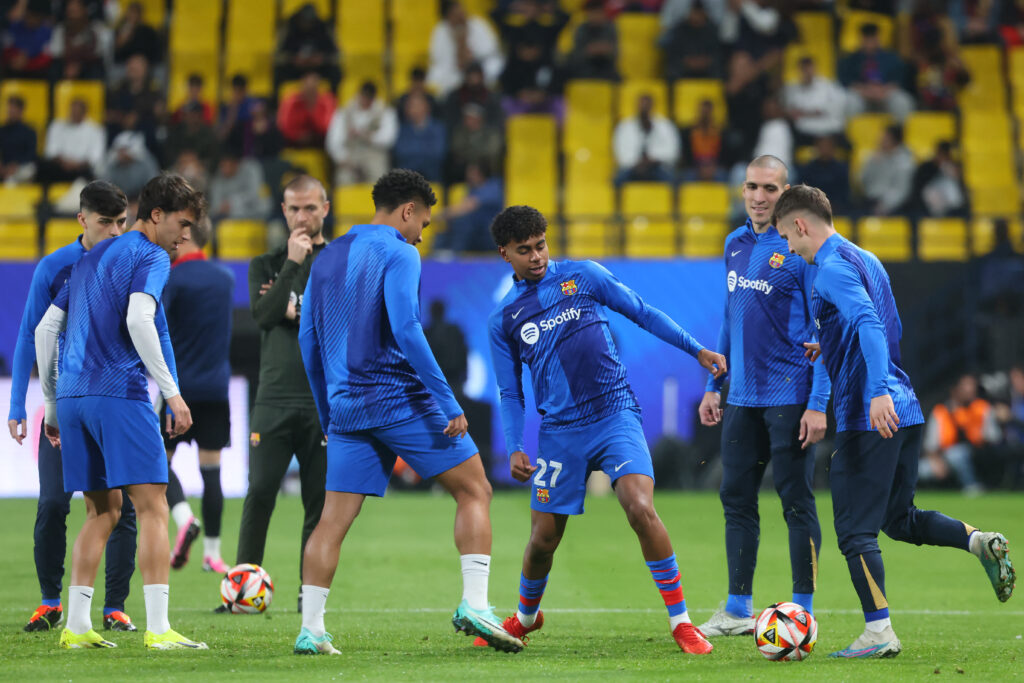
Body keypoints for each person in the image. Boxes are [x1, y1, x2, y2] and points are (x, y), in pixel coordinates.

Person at [772, 184, 1015, 658]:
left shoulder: (829, 270)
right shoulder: (868, 258)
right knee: (898, 519)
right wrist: (836, 347)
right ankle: (979, 542)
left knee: (853, 531)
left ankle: (879, 632)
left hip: (872, 415)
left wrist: (875, 390)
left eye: (785, 236)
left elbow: (868, 322)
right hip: (907, 409)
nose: (787, 247)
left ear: (800, 225)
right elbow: (890, 326)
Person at [294, 169, 522, 655]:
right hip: (399, 401)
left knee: (331, 522)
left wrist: (327, 414)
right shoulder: (399, 252)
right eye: (424, 221)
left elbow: (307, 340)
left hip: (347, 410)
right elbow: (406, 328)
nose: (423, 232)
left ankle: (311, 629)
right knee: (475, 489)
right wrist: (448, 402)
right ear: (407, 211)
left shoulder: (326, 256)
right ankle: (475, 604)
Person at [486, 205, 727, 655]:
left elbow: (642, 312)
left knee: (639, 507)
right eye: (525, 250)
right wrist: (516, 445)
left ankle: (681, 622)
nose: (536, 256)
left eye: (541, 245)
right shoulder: (504, 320)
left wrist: (697, 351)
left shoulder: (583, 276)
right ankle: (523, 619)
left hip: (615, 414)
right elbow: (509, 391)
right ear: (505, 254)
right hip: (559, 431)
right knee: (543, 539)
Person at [35, 173, 208, 650]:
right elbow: (138, 317)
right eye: (183, 223)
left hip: (72, 399)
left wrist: (52, 402)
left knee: (100, 511)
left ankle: (76, 625)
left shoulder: (90, 258)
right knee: (152, 506)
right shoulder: (150, 255)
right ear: (157, 216)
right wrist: (172, 393)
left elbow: (46, 331)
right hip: (118, 393)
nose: (186, 235)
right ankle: (158, 629)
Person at [695, 155, 830, 637]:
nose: (758, 196)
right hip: (742, 398)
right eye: (751, 186)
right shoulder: (733, 243)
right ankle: (736, 608)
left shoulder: (799, 246)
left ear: (785, 192)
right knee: (736, 498)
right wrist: (714, 384)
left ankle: (803, 609)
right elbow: (731, 318)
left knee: (796, 500)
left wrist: (818, 402)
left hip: (790, 395)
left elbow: (823, 329)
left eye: (769, 189)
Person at [8, 181, 137, 633]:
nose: (115, 232)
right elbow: (30, 335)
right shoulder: (55, 267)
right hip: (64, 404)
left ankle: (114, 606)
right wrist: (17, 405)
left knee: (124, 509)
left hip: (117, 400)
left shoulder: (131, 263)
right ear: (82, 221)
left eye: (122, 223)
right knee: (52, 505)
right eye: (106, 223)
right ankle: (50, 602)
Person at [232, 175, 330, 610]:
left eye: (310, 208)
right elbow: (263, 315)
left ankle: (308, 598)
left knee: (319, 504)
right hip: (272, 399)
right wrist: (291, 267)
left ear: (325, 208)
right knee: (260, 493)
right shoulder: (266, 264)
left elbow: (337, 319)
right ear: (283, 210)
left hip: (323, 402)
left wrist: (296, 305)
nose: (302, 217)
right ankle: (241, 590)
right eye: (293, 208)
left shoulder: (338, 262)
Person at [158, 217, 235, 574]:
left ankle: (184, 516)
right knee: (212, 474)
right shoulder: (225, 280)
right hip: (217, 390)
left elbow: (158, 329)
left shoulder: (171, 278)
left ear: (185, 237)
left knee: (158, 463)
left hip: (179, 392)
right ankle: (213, 555)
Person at [920, 373, 1000, 494]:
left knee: (956, 454)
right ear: (955, 390)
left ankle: (972, 486)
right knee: (920, 469)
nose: (969, 390)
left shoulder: (982, 408)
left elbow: (995, 438)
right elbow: (930, 446)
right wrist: (936, 461)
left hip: (979, 454)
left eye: (972, 386)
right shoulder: (941, 411)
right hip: (946, 458)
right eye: (965, 387)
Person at [325, 81, 397, 186]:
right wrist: (342, 158)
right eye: (364, 97)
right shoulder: (344, 112)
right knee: (344, 179)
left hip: (375, 153)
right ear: (359, 95)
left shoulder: (386, 112)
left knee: (380, 179)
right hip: (350, 154)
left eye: (369, 98)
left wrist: (368, 136)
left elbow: (388, 139)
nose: (365, 101)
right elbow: (333, 141)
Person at [612, 94, 680, 185]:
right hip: (631, 167)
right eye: (641, 105)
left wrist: (651, 160)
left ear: (652, 106)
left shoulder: (665, 125)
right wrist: (638, 163)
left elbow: (673, 152)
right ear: (636, 106)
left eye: (647, 105)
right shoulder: (625, 126)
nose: (644, 108)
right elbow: (621, 154)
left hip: (658, 167)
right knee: (617, 180)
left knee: (673, 181)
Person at [37, 98, 106, 184]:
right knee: (42, 166)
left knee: (93, 173)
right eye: (72, 111)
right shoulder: (57, 126)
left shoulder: (96, 130)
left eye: (77, 112)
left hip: (82, 168)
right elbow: (51, 151)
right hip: (60, 166)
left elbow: (95, 157)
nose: (74, 114)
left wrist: (77, 164)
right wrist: (63, 162)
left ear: (84, 113)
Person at [0, 95, 38, 183]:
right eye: (10, 109)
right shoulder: (2, 130)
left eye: (14, 109)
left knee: (30, 169)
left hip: (22, 167)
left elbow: (31, 155)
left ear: (21, 110)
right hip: (5, 167)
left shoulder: (29, 131)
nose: (11, 111)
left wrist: (16, 165)